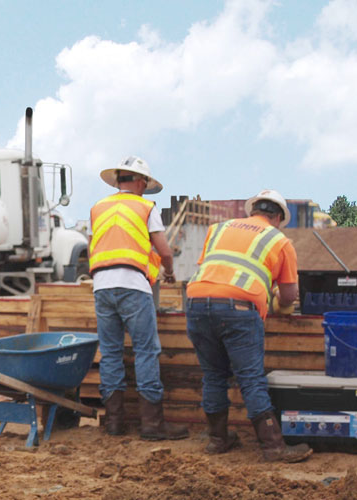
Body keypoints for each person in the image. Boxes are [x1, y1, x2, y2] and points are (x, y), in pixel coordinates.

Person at [186, 189, 312, 462]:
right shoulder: (279, 240)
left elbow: (216, 270)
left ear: (252, 210)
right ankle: (273, 447)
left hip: (196, 303)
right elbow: (290, 296)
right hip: (239, 309)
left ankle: (218, 440)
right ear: (278, 217)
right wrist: (275, 297)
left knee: (214, 375)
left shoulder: (217, 229)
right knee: (251, 379)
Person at [90, 156, 188, 440]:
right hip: (133, 285)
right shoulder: (146, 207)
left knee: (110, 353)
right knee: (146, 351)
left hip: (102, 286)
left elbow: (93, 246)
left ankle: (114, 423)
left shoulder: (98, 207)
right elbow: (165, 251)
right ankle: (152, 425)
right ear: (140, 181)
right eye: (144, 184)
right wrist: (168, 272)